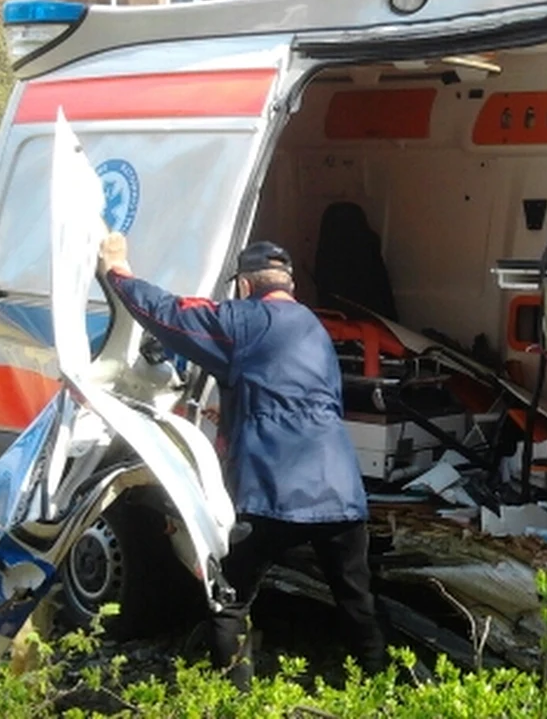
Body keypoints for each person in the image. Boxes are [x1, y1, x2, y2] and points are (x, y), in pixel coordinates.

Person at [98, 234, 386, 688]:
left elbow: (170, 315)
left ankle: (239, 697)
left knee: (228, 599)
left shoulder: (244, 319)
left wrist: (118, 272)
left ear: (246, 287)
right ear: (288, 285)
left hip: (275, 491)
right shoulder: (313, 328)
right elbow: (301, 397)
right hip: (341, 490)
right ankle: (379, 688)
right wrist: (234, 410)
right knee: (356, 600)